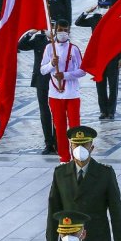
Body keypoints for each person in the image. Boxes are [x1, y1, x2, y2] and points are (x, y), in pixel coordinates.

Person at [46, 127, 121, 241]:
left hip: (97, 238)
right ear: (71, 147)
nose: (80, 148)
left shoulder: (104, 173)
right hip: (70, 237)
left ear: (92, 147)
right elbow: (54, 208)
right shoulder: (60, 173)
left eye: (84, 144)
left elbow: (115, 208)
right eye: (76, 145)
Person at [39, 20, 84, 163]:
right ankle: (64, 157)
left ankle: (77, 155)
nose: (62, 33)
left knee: (75, 126)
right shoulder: (49, 48)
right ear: (55, 30)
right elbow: (42, 70)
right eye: (60, 30)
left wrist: (66, 75)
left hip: (72, 94)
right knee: (59, 127)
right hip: (55, 94)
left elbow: (82, 70)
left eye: (65, 30)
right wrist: (51, 64)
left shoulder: (74, 49)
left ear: (69, 31)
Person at [76, 0, 121, 122]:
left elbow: (120, 38)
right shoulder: (95, 19)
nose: (104, 8)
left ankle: (111, 111)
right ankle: (103, 110)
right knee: (100, 84)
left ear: (110, 6)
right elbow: (78, 22)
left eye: (106, 6)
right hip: (99, 56)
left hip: (112, 56)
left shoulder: (115, 18)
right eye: (101, 6)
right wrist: (87, 12)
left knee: (113, 86)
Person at [19, 28, 56, 155]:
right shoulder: (39, 39)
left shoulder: (60, 41)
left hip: (57, 80)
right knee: (44, 112)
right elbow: (21, 45)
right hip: (41, 79)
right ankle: (48, 143)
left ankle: (57, 142)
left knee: (57, 112)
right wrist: (31, 33)